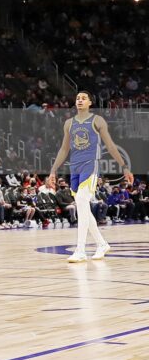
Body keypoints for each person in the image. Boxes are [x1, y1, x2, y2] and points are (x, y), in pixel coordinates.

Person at [47, 91, 133, 263]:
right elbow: (64, 149)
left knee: (81, 200)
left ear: (90, 103)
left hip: (90, 164)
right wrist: (53, 171)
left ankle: (80, 250)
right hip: (74, 166)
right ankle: (102, 244)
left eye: (83, 98)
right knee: (82, 206)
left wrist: (124, 167)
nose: (80, 100)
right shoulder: (69, 123)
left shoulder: (97, 120)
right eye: (78, 98)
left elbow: (110, 145)